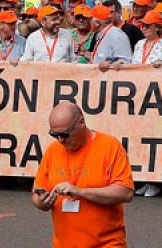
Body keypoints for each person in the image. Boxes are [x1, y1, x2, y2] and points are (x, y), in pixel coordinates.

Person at [32, 101, 135, 247]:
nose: (60, 140)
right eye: (54, 135)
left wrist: (79, 191)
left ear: (81, 122)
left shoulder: (110, 146)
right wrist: (42, 202)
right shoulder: (52, 151)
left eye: (64, 134)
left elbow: (125, 192)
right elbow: (36, 193)